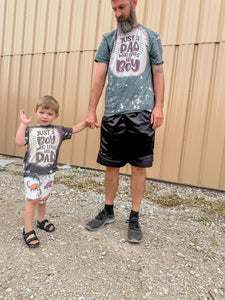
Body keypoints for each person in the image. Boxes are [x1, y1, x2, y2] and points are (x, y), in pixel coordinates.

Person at [85, 0, 164, 243]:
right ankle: (108, 211)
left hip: (142, 112)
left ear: (134, 3)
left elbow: (158, 73)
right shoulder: (109, 39)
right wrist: (91, 109)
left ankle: (134, 216)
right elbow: (99, 77)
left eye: (122, 7)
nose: (118, 14)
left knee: (139, 166)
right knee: (111, 164)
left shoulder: (151, 37)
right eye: (114, 10)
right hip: (113, 113)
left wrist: (159, 106)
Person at [15, 95, 89, 248]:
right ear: (36, 112)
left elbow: (74, 129)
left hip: (48, 173)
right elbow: (19, 142)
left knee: (43, 199)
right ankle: (28, 229)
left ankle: (41, 220)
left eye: (49, 114)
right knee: (33, 200)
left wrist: (86, 123)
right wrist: (23, 124)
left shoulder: (59, 131)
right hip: (32, 172)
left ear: (56, 116)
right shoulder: (31, 130)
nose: (45, 116)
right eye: (42, 112)